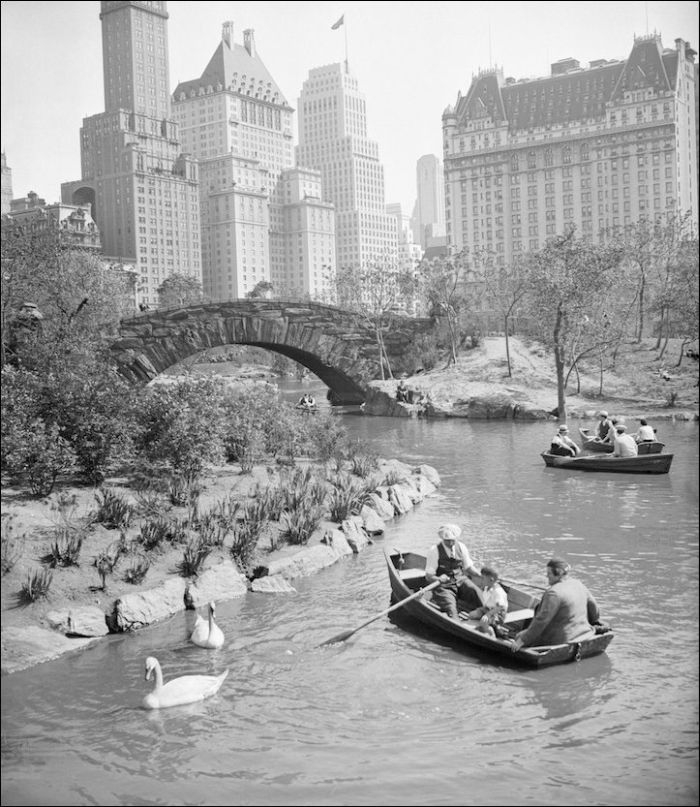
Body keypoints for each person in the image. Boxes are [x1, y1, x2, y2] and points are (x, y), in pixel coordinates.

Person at [510, 557, 600, 651]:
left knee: (518, 636)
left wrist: (522, 640)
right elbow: (594, 609)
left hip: (561, 641)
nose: (547, 576)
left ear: (559, 573)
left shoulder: (553, 593)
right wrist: (593, 622)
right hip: (585, 633)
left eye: (549, 573)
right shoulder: (578, 584)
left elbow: (541, 620)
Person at [424, 524, 483, 619]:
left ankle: (492, 620)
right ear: (443, 539)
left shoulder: (461, 547)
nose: (451, 543)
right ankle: (456, 622)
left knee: (477, 593)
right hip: (444, 587)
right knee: (451, 609)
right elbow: (429, 576)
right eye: (448, 541)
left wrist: (481, 575)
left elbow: (468, 568)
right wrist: (439, 579)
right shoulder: (434, 550)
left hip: (461, 580)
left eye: (453, 540)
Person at [463, 565, 508, 637]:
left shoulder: (497, 591)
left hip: (497, 614)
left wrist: (488, 615)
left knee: (483, 622)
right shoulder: (488, 587)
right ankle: (488, 625)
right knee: (471, 615)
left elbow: (501, 607)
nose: (481, 580)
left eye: (483, 578)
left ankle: (491, 632)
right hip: (487, 609)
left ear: (491, 580)